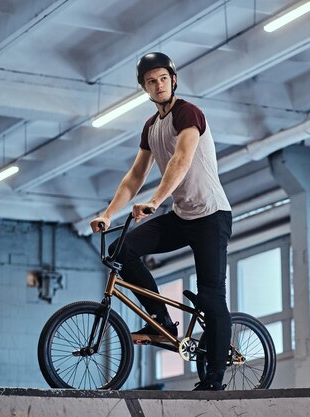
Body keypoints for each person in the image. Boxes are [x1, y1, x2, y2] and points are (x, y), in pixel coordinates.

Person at [89, 52, 232, 391]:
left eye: (163, 79)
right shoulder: (152, 127)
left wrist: (155, 201)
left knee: (211, 297)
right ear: (145, 89)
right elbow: (135, 175)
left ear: (173, 80)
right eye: (151, 81)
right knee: (120, 249)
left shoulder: (189, 113)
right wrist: (108, 213)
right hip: (182, 216)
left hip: (211, 216)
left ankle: (214, 378)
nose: (158, 85)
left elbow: (181, 160)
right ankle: (160, 320)